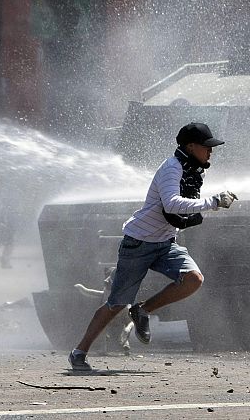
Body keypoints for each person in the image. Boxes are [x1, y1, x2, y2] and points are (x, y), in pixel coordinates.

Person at [68, 122, 237, 370]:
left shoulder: (193, 170)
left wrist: (207, 204)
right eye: (206, 147)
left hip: (165, 243)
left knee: (193, 279)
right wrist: (212, 202)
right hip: (139, 243)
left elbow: (181, 208)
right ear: (190, 147)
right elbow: (171, 205)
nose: (210, 152)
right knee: (115, 303)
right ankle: (79, 352)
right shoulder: (171, 168)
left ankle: (142, 311)